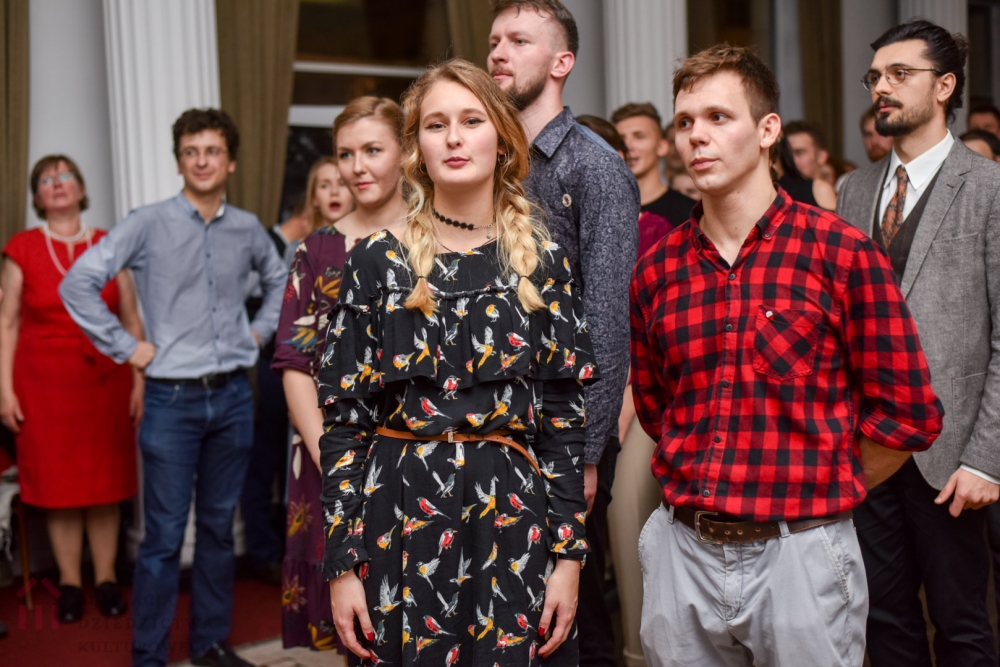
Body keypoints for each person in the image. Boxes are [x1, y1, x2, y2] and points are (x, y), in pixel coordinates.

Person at [631, 44, 944, 667]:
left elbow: (907, 414)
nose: (696, 136)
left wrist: (820, 483)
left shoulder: (840, 253)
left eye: (719, 117)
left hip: (800, 552)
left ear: (768, 129)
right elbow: (657, 407)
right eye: (685, 121)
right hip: (681, 549)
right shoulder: (657, 268)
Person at [320, 58, 594, 666]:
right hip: (399, 520)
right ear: (416, 147)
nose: (453, 138)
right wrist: (342, 564)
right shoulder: (375, 262)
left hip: (513, 520)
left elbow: (563, 424)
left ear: (502, 139)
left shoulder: (542, 260)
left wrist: (568, 558)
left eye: (471, 121)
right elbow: (344, 426)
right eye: (435, 124)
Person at [60, 108, 287, 667]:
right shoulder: (147, 222)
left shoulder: (247, 228)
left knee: (218, 531)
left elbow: (281, 277)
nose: (202, 161)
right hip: (171, 402)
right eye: (191, 152)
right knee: (162, 539)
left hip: (233, 397)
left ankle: (210, 645)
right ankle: (149, 657)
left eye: (212, 151)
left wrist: (259, 332)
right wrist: (126, 347)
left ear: (230, 162)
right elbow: (78, 281)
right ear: (179, 160)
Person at [836, 20, 1000, 667]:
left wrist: (986, 459)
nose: (882, 86)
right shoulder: (853, 190)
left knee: (962, 626)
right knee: (882, 622)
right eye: (875, 76)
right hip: (867, 448)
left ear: (945, 85)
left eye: (900, 73)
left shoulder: (988, 188)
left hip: (952, 456)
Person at [487, 3, 640, 665]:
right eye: (494, 40)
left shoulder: (594, 167)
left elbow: (606, 321)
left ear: (561, 62)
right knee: (506, 598)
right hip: (490, 414)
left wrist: (586, 453)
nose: (499, 52)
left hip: (562, 428)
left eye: (518, 40)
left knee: (572, 604)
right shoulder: (486, 157)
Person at [273, 99, 399, 652]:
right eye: (346, 154)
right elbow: (295, 362)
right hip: (330, 447)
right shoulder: (317, 250)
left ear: (405, 152)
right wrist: (332, 457)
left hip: (414, 448)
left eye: (372, 150)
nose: (357, 167)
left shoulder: (438, 237)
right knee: (355, 620)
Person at [0, 155, 143, 624]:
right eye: (47, 179)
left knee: (105, 486)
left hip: (105, 383)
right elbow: (7, 322)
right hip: (43, 387)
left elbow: (131, 319)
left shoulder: (110, 244)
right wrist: (4, 391)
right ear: (37, 196)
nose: (57, 183)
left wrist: (139, 381)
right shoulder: (21, 248)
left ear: (81, 189)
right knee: (59, 488)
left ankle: (105, 579)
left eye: (65, 176)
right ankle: (69, 584)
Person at [241, 193, 320, 587]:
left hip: (295, 370)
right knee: (265, 461)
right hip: (268, 371)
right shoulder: (272, 246)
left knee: (287, 459)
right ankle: (264, 552)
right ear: (306, 212)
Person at [612, 102, 697, 254]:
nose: (628, 146)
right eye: (621, 139)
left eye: (639, 136)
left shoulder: (689, 213)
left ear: (662, 147)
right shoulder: (606, 211)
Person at [771, 136, 837, 210]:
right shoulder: (776, 188)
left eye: (799, 153)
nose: (793, 159)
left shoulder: (820, 189)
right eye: (788, 154)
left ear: (821, 157)